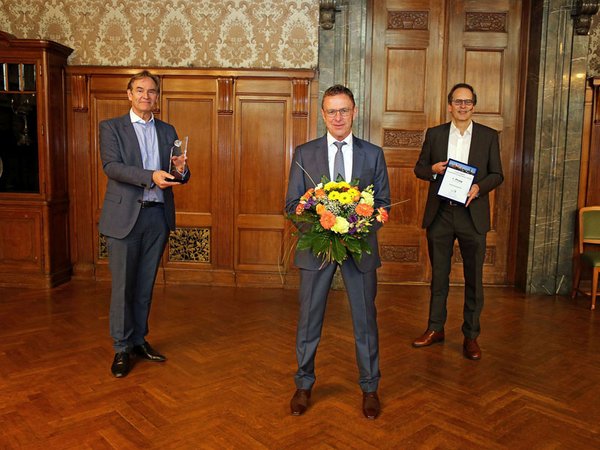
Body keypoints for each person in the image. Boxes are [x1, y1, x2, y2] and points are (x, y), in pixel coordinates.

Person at [285, 84, 391, 419]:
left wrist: (356, 229)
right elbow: (292, 205)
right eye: (331, 111)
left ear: (355, 112)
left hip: (360, 250)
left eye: (344, 110)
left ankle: (370, 387)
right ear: (322, 114)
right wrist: (322, 230)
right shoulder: (305, 152)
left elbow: (383, 204)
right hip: (317, 249)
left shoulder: (373, 154)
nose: (338, 117)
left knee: (364, 320)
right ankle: (303, 384)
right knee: (309, 318)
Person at [99, 70, 189, 378]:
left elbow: (176, 174)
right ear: (129, 94)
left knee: (145, 284)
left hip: (157, 216)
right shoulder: (111, 128)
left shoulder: (168, 130)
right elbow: (112, 167)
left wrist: (181, 169)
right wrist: (149, 176)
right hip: (125, 217)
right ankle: (121, 347)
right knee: (123, 285)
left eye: (151, 91)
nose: (145, 96)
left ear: (157, 97)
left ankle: (139, 340)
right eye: (139, 90)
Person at [412, 83, 503, 360]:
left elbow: (497, 174)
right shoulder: (436, 134)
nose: (462, 106)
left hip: (471, 215)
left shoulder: (488, 136)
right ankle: (435, 328)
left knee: (474, 278)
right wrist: (433, 170)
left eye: (467, 102)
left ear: (473, 105)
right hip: (441, 213)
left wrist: (479, 188)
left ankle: (471, 336)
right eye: (457, 102)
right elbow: (419, 168)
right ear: (449, 105)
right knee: (439, 276)